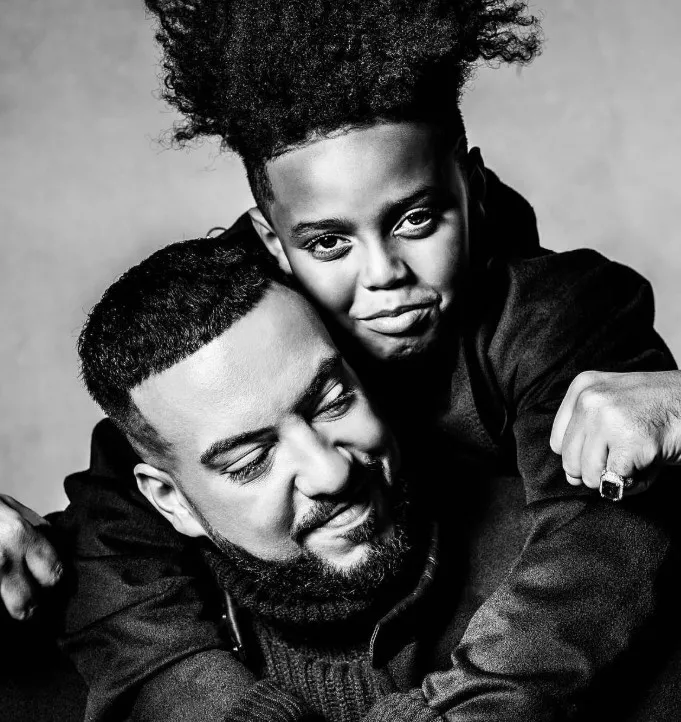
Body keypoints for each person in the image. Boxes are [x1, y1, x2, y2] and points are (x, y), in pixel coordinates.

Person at [2, 0, 681, 718]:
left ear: (472, 188)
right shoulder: (236, 320)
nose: (384, 274)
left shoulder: (552, 315)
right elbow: (118, 524)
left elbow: (593, 552)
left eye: (416, 218)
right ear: (274, 244)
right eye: (328, 242)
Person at [69, 232, 681, 721]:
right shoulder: (85, 624)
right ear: (170, 501)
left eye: (333, 400)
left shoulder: (588, 562)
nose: (331, 472)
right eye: (251, 460)